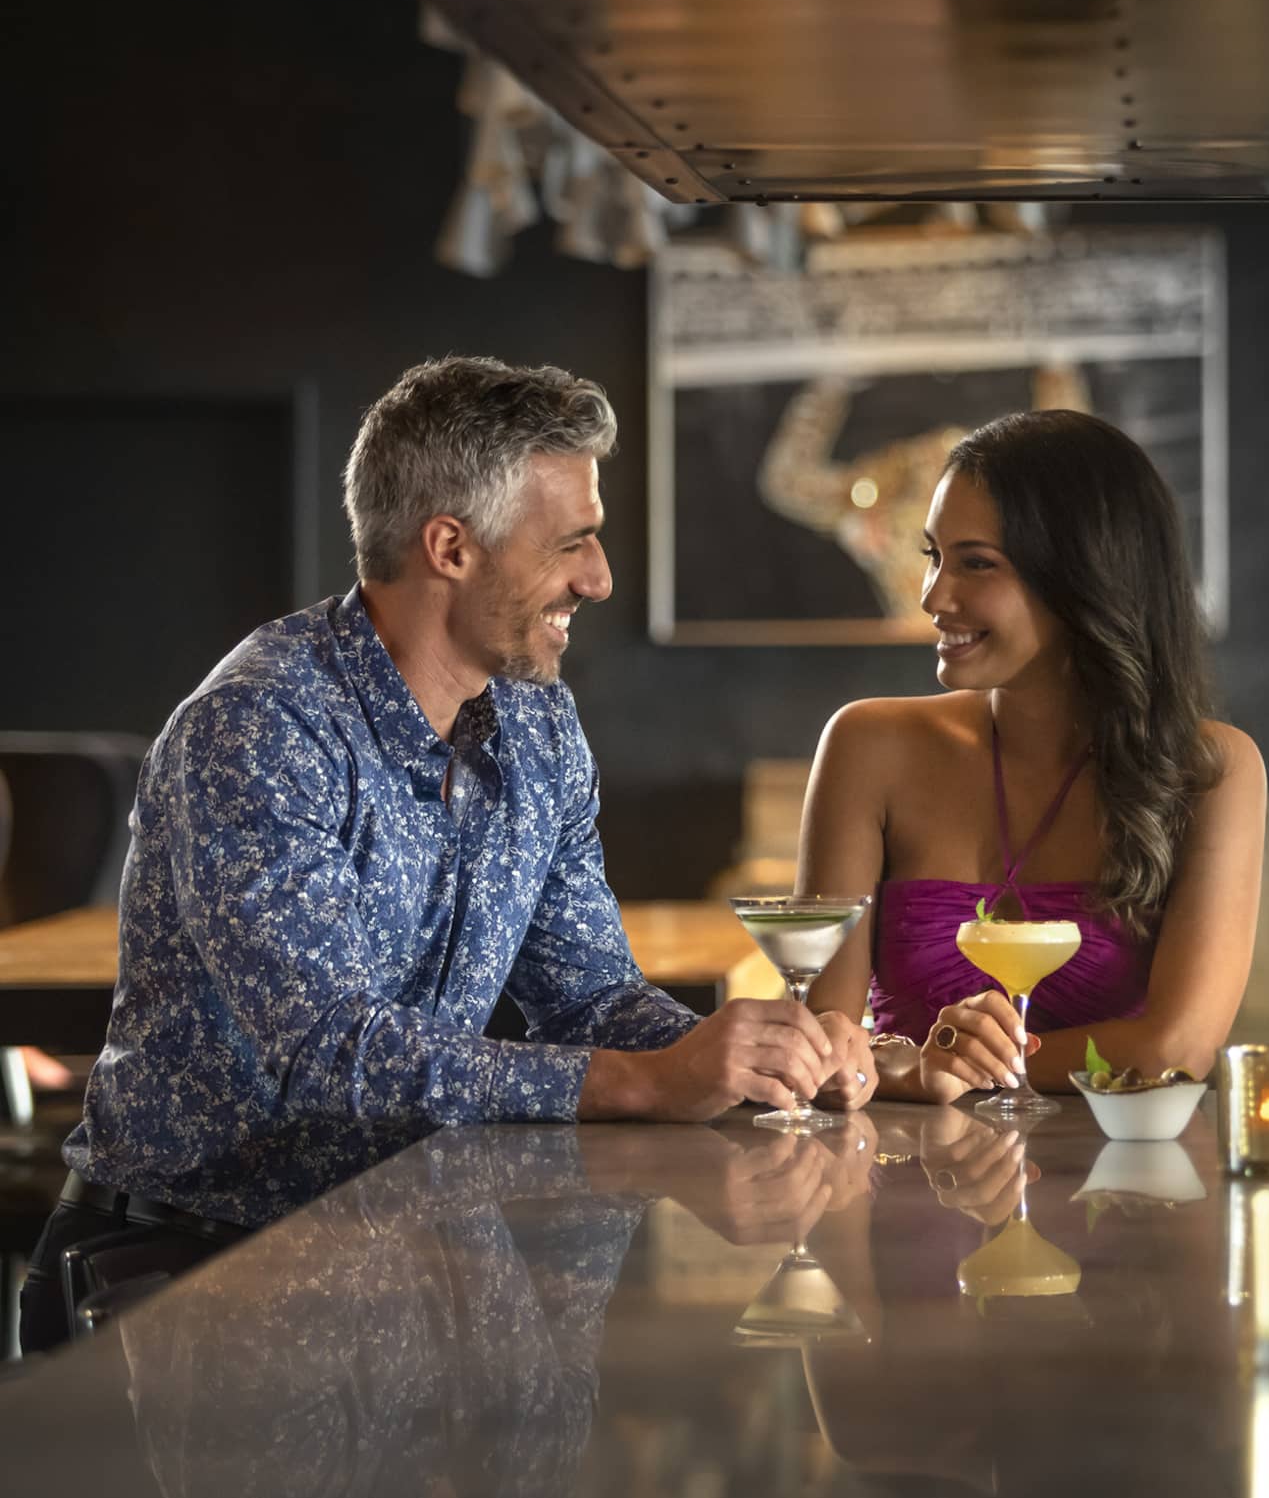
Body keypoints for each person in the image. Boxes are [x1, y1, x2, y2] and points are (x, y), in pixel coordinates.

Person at [21, 356, 873, 1352]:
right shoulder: (260, 726)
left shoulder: (539, 722)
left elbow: (591, 998)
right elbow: (328, 1055)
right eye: (574, 543)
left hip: (411, 1254)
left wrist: (773, 1062)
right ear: (451, 547)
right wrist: (646, 1082)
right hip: (188, 1276)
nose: (597, 578)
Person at [797, 407, 1266, 1101]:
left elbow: (1176, 1047)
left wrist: (955, 1068)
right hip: (907, 1186)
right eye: (933, 556)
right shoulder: (867, 746)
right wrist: (918, 1068)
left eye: (976, 564)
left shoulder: (1212, 772)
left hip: (1121, 1189)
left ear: (1083, 577)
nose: (933, 596)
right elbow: (828, 1040)